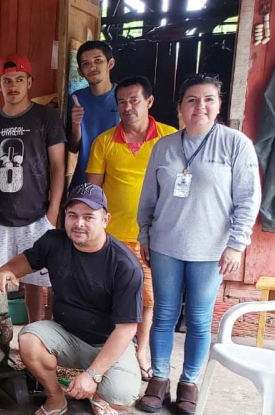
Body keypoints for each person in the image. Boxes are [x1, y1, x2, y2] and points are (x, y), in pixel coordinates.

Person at [136, 75, 261, 415]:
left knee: (199, 318)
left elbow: (248, 198)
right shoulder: (164, 146)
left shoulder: (235, 144)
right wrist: (144, 233)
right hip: (165, 244)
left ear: (219, 105)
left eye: (208, 100)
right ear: (179, 107)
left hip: (211, 251)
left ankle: (189, 384)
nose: (200, 107)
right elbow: (149, 195)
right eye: (191, 100)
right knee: (163, 313)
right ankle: (158, 381)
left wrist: (237, 244)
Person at [0, 184, 144, 415]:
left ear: (105, 219)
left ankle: (96, 393)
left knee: (122, 397)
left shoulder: (125, 265)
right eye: (72, 215)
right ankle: (55, 396)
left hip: (106, 342)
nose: (78, 223)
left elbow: (126, 329)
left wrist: (93, 375)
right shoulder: (55, 241)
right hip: (66, 335)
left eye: (88, 217)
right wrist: (6, 271)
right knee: (28, 339)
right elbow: (28, 260)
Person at [85, 76, 177, 381]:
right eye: (122, 101)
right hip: (111, 238)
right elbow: (92, 193)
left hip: (153, 237)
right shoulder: (104, 141)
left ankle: (141, 350)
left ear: (149, 102)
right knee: (108, 298)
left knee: (148, 299)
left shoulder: (169, 138)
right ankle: (109, 350)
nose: (128, 107)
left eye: (134, 100)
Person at [0, 54, 66, 323]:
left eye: (19, 79)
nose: (13, 86)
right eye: (7, 81)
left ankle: (34, 333)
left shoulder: (45, 118)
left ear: (29, 82)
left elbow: (58, 166)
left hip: (37, 215)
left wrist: (53, 210)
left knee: (38, 281)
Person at [67, 40, 120, 188]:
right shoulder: (76, 99)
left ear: (110, 64)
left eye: (98, 60)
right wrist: (76, 124)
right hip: (83, 181)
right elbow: (73, 147)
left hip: (116, 181)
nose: (92, 67)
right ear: (80, 72)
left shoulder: (123, 98)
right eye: (86, 64)